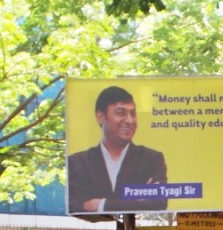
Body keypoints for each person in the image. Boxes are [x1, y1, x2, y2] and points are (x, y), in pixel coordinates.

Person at [67, 85, 167, 214]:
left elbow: (157, 203)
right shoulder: (77, 162)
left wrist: (102, 204)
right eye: (121, 113)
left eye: (133, 114)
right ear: (101, 117)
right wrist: (136, 201)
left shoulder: (151, 159)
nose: (130, 121)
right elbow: (74, 205)